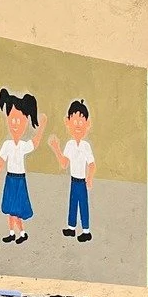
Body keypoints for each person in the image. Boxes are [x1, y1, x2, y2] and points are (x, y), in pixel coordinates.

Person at [0, 89, 44, 244]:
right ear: (7, 119)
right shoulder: (7, 145)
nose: (15, 124)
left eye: (19, 120)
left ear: (26, 121)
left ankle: (21, 233)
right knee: (10, 210)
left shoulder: (22, 145)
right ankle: (14, 233)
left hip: (20, 180)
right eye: (12, 119)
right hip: (10, 179)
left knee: (17, 211)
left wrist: (42, 127)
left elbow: (35, 143)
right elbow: (1, 160)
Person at [46, 99, 95, 243]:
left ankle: (86, 231)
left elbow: (92, 164)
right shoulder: (69, 145)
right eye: (74, 121)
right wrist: (56, 148)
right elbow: (64, 163)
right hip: (73, 180)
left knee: (83, 205)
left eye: (81, 121)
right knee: (72, 204)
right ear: (68, 122)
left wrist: (90, 177)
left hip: (82, 181)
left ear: (87, 123)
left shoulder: (86, 146)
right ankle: (71, 227)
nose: (77, 125)